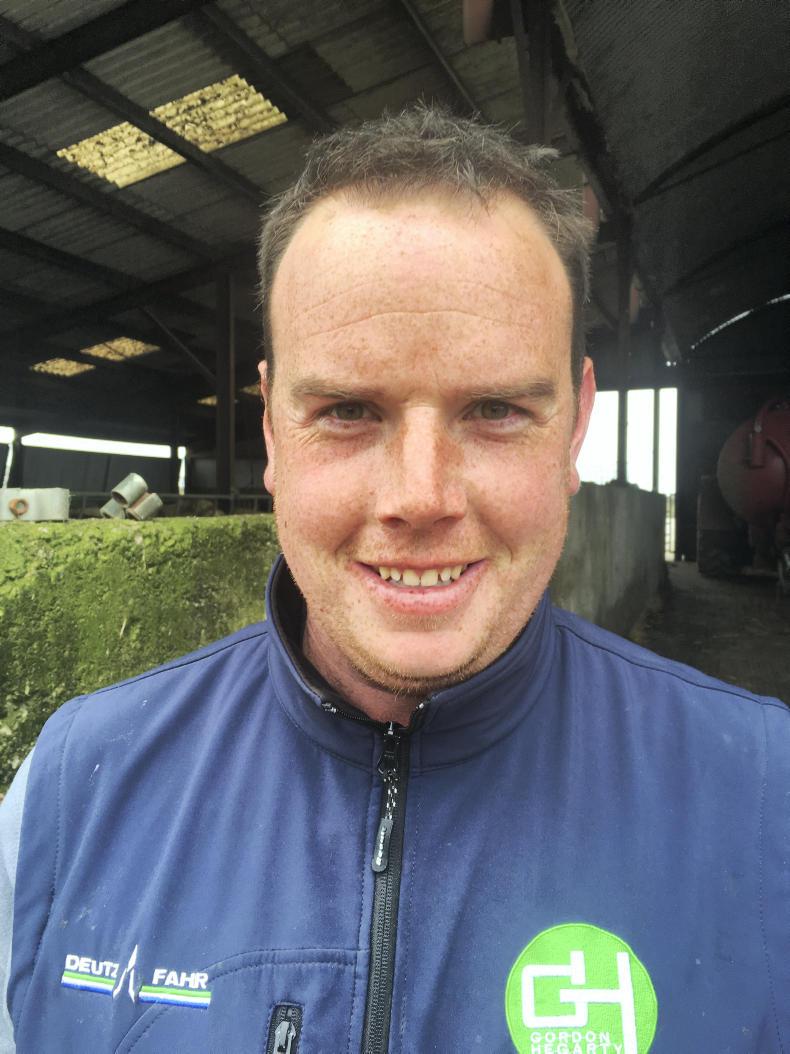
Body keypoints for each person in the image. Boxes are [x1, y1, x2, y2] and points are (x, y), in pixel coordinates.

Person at [1, 106, 788, 1054]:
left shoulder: (764, 802)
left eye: (495, 409)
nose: (420, 498)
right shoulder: (69, 795)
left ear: (576, 427)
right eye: (347, 410)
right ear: (272, 429)